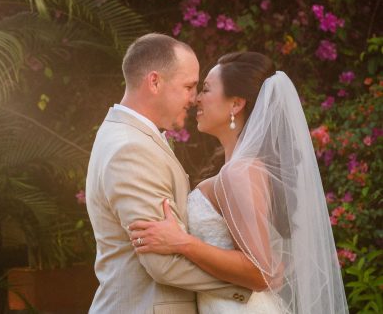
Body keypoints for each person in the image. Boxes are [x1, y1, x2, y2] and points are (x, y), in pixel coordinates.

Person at [129, 52, 348, 313]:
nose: (197, 98)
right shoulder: (243, 168)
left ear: (235, 104)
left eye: (206, 90)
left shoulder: (239, 173)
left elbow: (261, 272)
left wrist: (182, 243)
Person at [86, 34, 252, 314]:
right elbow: (162, 263)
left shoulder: (134, 137)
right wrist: (247, 285)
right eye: (188, 86)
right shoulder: (131, 148)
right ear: (154, 82)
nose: (194, 98)